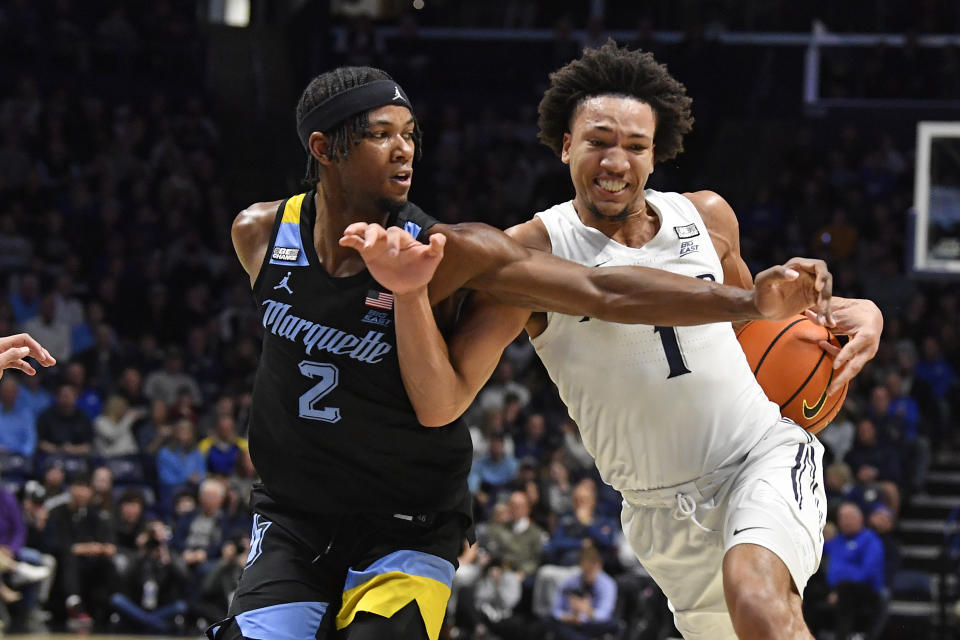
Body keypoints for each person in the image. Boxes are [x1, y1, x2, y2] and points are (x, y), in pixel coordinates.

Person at [210, 64, 833, 640]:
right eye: (381, 135)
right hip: (651, 509)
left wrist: (845, 314)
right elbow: (440, 395)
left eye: (409, 134)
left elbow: (667, 302)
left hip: (414, 515)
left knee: (760, 602)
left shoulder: (459, 252)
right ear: (565, 145)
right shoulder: (265, 235)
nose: (404, 150)